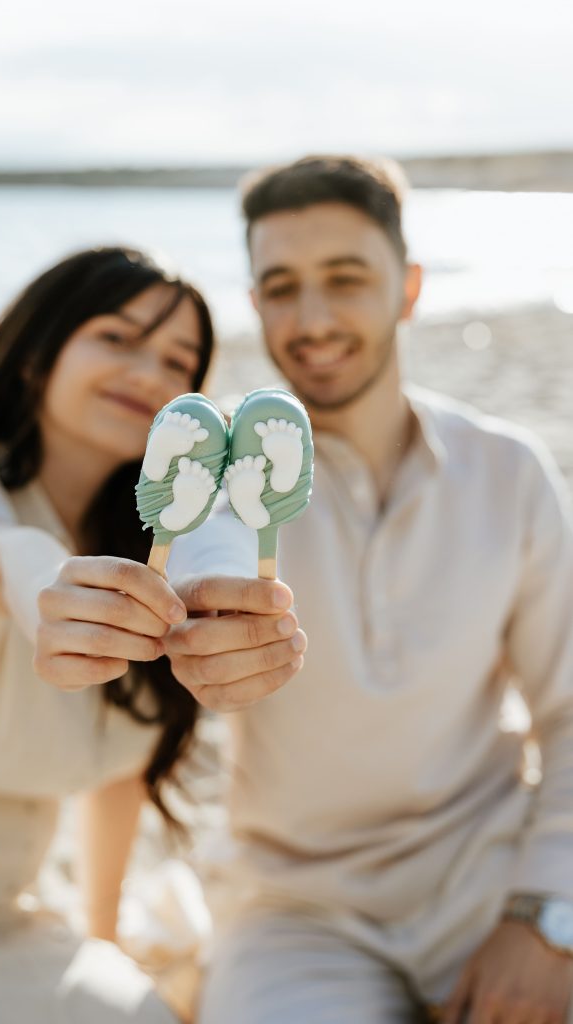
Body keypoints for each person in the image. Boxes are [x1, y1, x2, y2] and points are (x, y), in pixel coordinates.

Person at [165, 157, 573, 1023]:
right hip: (293, 910)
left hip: (490, 872)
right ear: (255, 300)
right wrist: (210, 623)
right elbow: (201, 560)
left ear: (409, 287)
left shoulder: (508, 472)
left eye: (344, 279)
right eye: (280, 287)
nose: (311, 320)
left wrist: (546, 916)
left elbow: (569, 711)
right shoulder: (220, 473)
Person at [0, 246, 305, 1023]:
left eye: (176, 360)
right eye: (116, 338)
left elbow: (119, 774)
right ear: (37, 354)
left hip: (8, 918)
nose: (149, 372)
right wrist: (40, 582)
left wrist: (103, 939)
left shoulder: (152, 552)